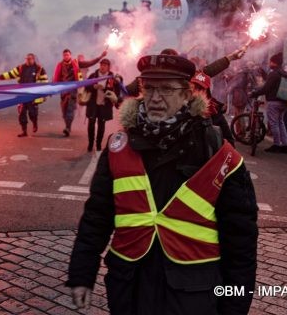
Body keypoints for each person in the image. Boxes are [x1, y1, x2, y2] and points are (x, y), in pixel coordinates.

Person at [67, 54, 258, 314]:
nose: (156, 97)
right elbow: (96, 217)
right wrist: (81, 275)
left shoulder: (216, 151)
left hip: (193, 295)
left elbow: (241, 244)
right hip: (128, 288)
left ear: (187, 94)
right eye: (149, 88)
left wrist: (234, 307)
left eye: (167, 89)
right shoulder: (118, 147)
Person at [53, 49, 107, 136]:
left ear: (70, 55)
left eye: (67, 55)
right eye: (64, 55)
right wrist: (53, 89)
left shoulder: (76, 63)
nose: (66, 56)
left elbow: (90, 63)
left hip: (73, 90)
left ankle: (67, 128)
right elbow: (56, 77)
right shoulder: (60, 65)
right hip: (63, 91)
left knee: (70, 108)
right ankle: (67, 125)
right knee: (64, 111)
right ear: (63, 56)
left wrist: (101, 56)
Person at [0, 53, 49, 137]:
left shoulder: (39, 69)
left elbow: (44, 82)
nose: (28, 60)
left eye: (30, 59)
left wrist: (44, 92)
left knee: (32, 113)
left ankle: (34, 123)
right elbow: (10, 74)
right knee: (21, 113)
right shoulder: (20, 68)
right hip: (22, 94)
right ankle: (24, 131)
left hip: (32, 96)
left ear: (33, 59)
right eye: (26, 59)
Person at [249, 53, 287, 153]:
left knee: (274, 123)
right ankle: (285, 145)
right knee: (281, 122)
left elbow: (266, 88)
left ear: (274, 63)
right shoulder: (283, 72)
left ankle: (276, 144)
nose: (269, 63)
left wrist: (254, 93)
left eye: (270, 62)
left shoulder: (274, 73)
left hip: (274, 101)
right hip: (283, 101)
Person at [84, 58, 122, 152]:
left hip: (104, 105)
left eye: (105, 65)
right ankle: (90, 143)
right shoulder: (93, 76)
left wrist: (105, 89)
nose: (103, 67)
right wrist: (94, 87)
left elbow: (116, 91)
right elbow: (86, 86)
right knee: (91, 125)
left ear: (108, 67)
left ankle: (98, 144)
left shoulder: (112, 78)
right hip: (93, 104)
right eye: (101, 65)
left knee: (101, 125)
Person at [191, 71, 235, 145]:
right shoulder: (182, 109)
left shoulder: (215, 112)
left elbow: (229, 141)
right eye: (194, 88)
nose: (197, 92)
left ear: (206, 91)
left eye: (200, 89)